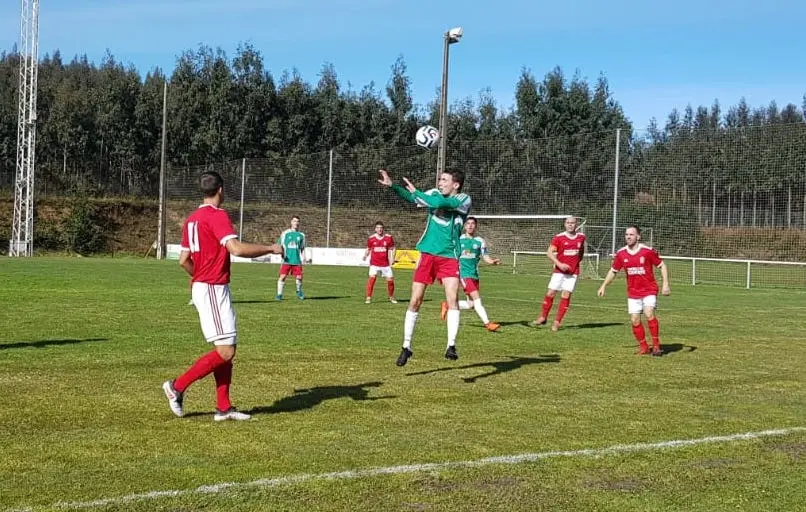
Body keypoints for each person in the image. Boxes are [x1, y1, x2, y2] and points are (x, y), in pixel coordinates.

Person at [163, 171, 283, 421]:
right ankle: (177, 387)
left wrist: (199, 277)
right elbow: (236, 249)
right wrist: (271, 248)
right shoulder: (217, 216)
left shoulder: (192, 219)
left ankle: (223, 407)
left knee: (227, 346)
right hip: (212, 288)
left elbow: (184, 260)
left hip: (208, 286)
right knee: (226, 351)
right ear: (221, 190)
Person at [377, 168, 471, 366]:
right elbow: (413, 199)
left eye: (444, 180)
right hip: (427, 254)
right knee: (415, 300)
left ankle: (451, 345)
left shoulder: (463, 199)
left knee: (452, 298)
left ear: (456, 184)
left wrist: (417, 193)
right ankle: (406, 346)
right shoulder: (432, 193)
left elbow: (441, 203)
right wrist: (393, 186)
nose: (440, 182)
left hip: (449, 256)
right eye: (440, 179)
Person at [597, 225, 671, 356]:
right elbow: (613, 271)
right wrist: (603, 286)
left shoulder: (647, 251)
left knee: (649, 313)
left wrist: (665, 284)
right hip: (633, 292)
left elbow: (662, 265)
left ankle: (656, 346)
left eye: (631, 234)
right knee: (635, 320)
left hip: (649, 289)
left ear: (638, 236)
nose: (628, 237)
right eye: (626, 234)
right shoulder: (621, 254)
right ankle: (644, 347)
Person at [441, 216, 501, 332]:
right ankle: (488, 324)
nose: (470, 225)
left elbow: (485, 256)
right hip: (464, 274)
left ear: (476, 226)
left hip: (474, 275)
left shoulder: (480, 241)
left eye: (472, 223)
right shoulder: (459, 239)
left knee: (471, 304)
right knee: (477, 299)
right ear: (464, 226)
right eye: (468, 223)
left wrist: (492, 261)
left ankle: (448, 305)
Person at [530, 216, 586, 331]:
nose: (570, 225)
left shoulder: (581, 237)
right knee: (550, 293)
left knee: (566, 295)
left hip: (573, 272)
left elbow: (581, 253)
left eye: (572, 223)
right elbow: (549, 253)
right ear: (564, 224)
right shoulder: (558, 238)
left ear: (576, 224)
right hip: (559, 271)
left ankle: (557, 322)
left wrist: (575, 264)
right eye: (568, 223)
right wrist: (560, 264)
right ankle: (543, 317)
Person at [363, 221, 398, 304]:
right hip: (374, 263)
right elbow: (368, 248)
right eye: (378, 228)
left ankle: (391, 297)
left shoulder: (388, 238)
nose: (380, 229)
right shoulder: (371, 238)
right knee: (372, 278)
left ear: (383, 229)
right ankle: (368, 297)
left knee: (390, 280)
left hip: (385, 264)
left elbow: (393, 248)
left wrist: (392, 258)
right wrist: (365, 255)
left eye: (381, 228)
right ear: (375, 229)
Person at [276, 216, 307, 300]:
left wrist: (304, 257)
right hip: (287, 260)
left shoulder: (301, 235)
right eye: (294, 221)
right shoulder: (285, 233)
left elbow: (302, 248)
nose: (296, 223)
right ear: (291, 222)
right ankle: (279, 295)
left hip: (297, 260)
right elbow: (279, 245)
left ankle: (299, 291)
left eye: (297, 221)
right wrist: (281, 254)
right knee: (282, 277)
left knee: (299, 277)